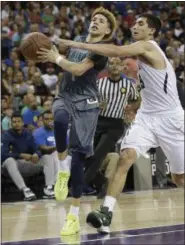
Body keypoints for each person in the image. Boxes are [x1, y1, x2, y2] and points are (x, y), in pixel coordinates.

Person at [59, 13, 184, 233]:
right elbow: (151, 88)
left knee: (179, 178)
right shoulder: (141, 55)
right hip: (146, 117)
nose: (135, 26)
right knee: (125, 157)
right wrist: (136, 107)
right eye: (134, 23)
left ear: (152, 31)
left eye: (141, 24)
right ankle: (106, 213)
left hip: (171, 120)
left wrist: (75, 43)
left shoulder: (149, 47)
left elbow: (117, 51)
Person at [37, 7, 116, 235]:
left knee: (79, 158)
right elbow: (64, 46)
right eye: (94, 18)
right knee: (59, 120)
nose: (95, 21)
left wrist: (57, 57)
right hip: (66, 96)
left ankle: (72, 216)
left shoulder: (101, 51)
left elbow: (79, 69)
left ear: (107, 30)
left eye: (101, 20)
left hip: (88, 102)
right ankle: (62, 167)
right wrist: (51, 43)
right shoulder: (80, 40)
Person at [84, 57, 138, 193]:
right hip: (98, 122)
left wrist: (131, 108)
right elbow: (87, 101)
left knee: (98, 154)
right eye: (111, 63)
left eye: (117, 64)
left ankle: (80, 184)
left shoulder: (128, 85)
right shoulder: (99, 83)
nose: (114, 66)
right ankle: (103, 182)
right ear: (107, 66)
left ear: (122, 67)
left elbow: (137, 100)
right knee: (88, 157)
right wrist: (96, 105)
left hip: (115, 125)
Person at [1, 113, 56, 200]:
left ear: (23, 123)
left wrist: (36, 154)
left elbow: (37, 149)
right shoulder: (5, 136)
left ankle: (49, 188)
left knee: (47, 157)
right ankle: (25, 190)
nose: (17, 123)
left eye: (19, 121)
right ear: (11, 124)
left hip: (28, 163)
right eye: (14, 122)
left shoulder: (28, 134)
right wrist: (20, 155)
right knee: (9, 160)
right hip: (13, 166)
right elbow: (2, 155)